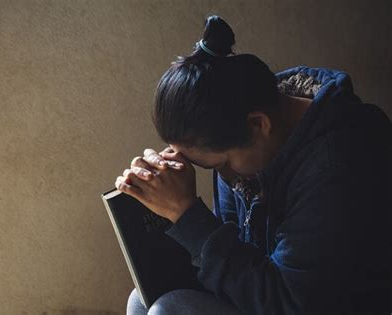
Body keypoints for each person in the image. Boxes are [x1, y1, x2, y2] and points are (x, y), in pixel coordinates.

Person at [115, 15, 391, 314]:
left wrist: (188, 217)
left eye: (220, 164)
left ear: (258, 124)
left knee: (169, 309)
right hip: (276, 290)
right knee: (143, 297)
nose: (225, 177)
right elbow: (242, 252)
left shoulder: (338, 167)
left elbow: (290, 303)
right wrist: (162, 206)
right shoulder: (247, 123)